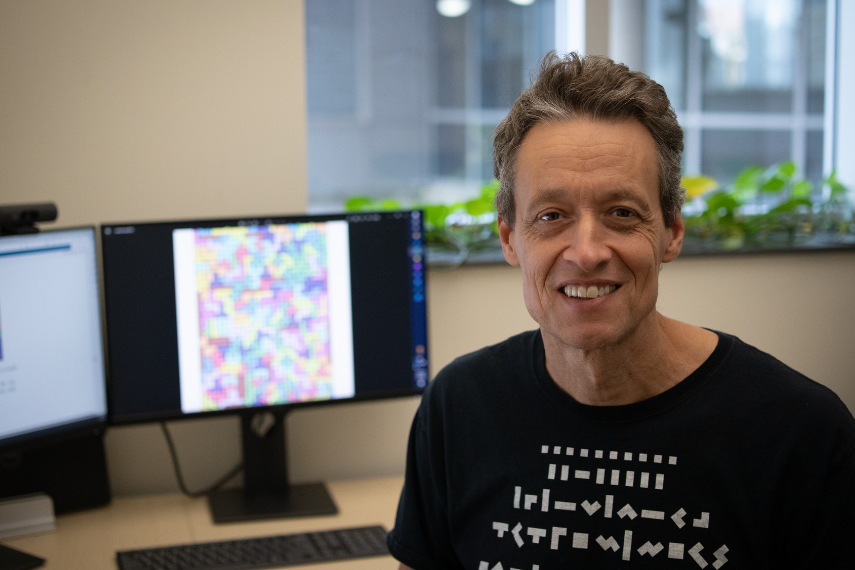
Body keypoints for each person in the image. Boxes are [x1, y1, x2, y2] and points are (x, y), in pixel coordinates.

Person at [387, 52, 855, 569]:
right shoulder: (458, 409)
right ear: (509, 238)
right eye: (551, 215)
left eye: (622, 213)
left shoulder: (802, 434)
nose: (586, 253)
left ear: (672, 231)